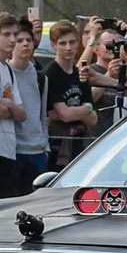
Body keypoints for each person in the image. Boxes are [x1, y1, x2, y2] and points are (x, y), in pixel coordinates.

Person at [0, 15, 46, 202]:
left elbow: (22, 114)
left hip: (6, 149)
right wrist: (8, 106)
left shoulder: (6, 69)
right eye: (6, 34)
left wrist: (9, 103)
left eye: (15, 34)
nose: (12, 40)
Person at [41, 20, 99, 170]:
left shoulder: (80, 74)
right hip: (57, 149)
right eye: (62, 43)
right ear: (54, 45)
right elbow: (66, 114)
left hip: (79, 146)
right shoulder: (50, 74)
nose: (68, 48)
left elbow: (93, 119)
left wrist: (82, 110)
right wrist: (85, 109)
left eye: (72, 42)